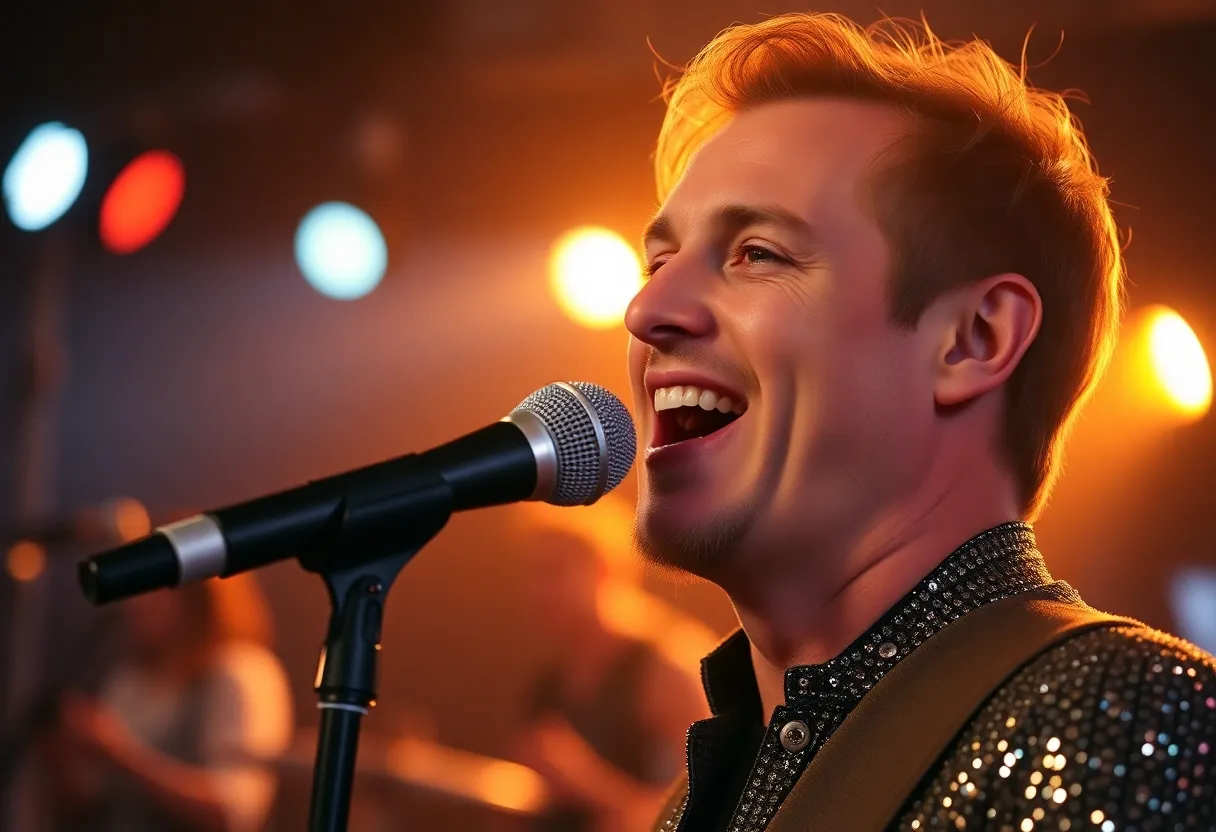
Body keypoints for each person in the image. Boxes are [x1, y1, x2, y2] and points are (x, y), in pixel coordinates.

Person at [624, 12, 1216, 831]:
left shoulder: (1122, 710)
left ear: (974, 340)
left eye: (757, 252)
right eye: (657, 262)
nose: (646, 308)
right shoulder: (699, 802)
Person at [42, 574, 293, 832]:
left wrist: (119, 753)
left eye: (155, 591)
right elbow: (90, 800)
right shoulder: (131, 678)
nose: (136, 604)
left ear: (199, 593)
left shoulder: (241, 673)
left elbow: (233, 813)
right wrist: (64, 756)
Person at [511, 525, 705, 832]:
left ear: (603, 572)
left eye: (554, 571)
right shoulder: (547, 683)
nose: (538, 591)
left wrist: (587, 780)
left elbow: (704, 808)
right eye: (532, 573)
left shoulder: (664, 674)